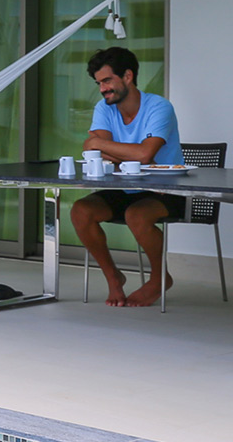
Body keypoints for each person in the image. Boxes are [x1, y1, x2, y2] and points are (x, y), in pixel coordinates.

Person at [70, 47, 184, 308]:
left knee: (137, 214)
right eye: (99, 83)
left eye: (107, 81)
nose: (102, 89)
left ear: (128, 76)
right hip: (123, 187)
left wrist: (108, 148)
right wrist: (131, 156)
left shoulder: (159, 107)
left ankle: (159, 279)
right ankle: (113, 277)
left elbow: (144, 153)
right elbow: (93, 148)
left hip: (166, 189)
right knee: (80, 211)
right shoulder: (104, 108)